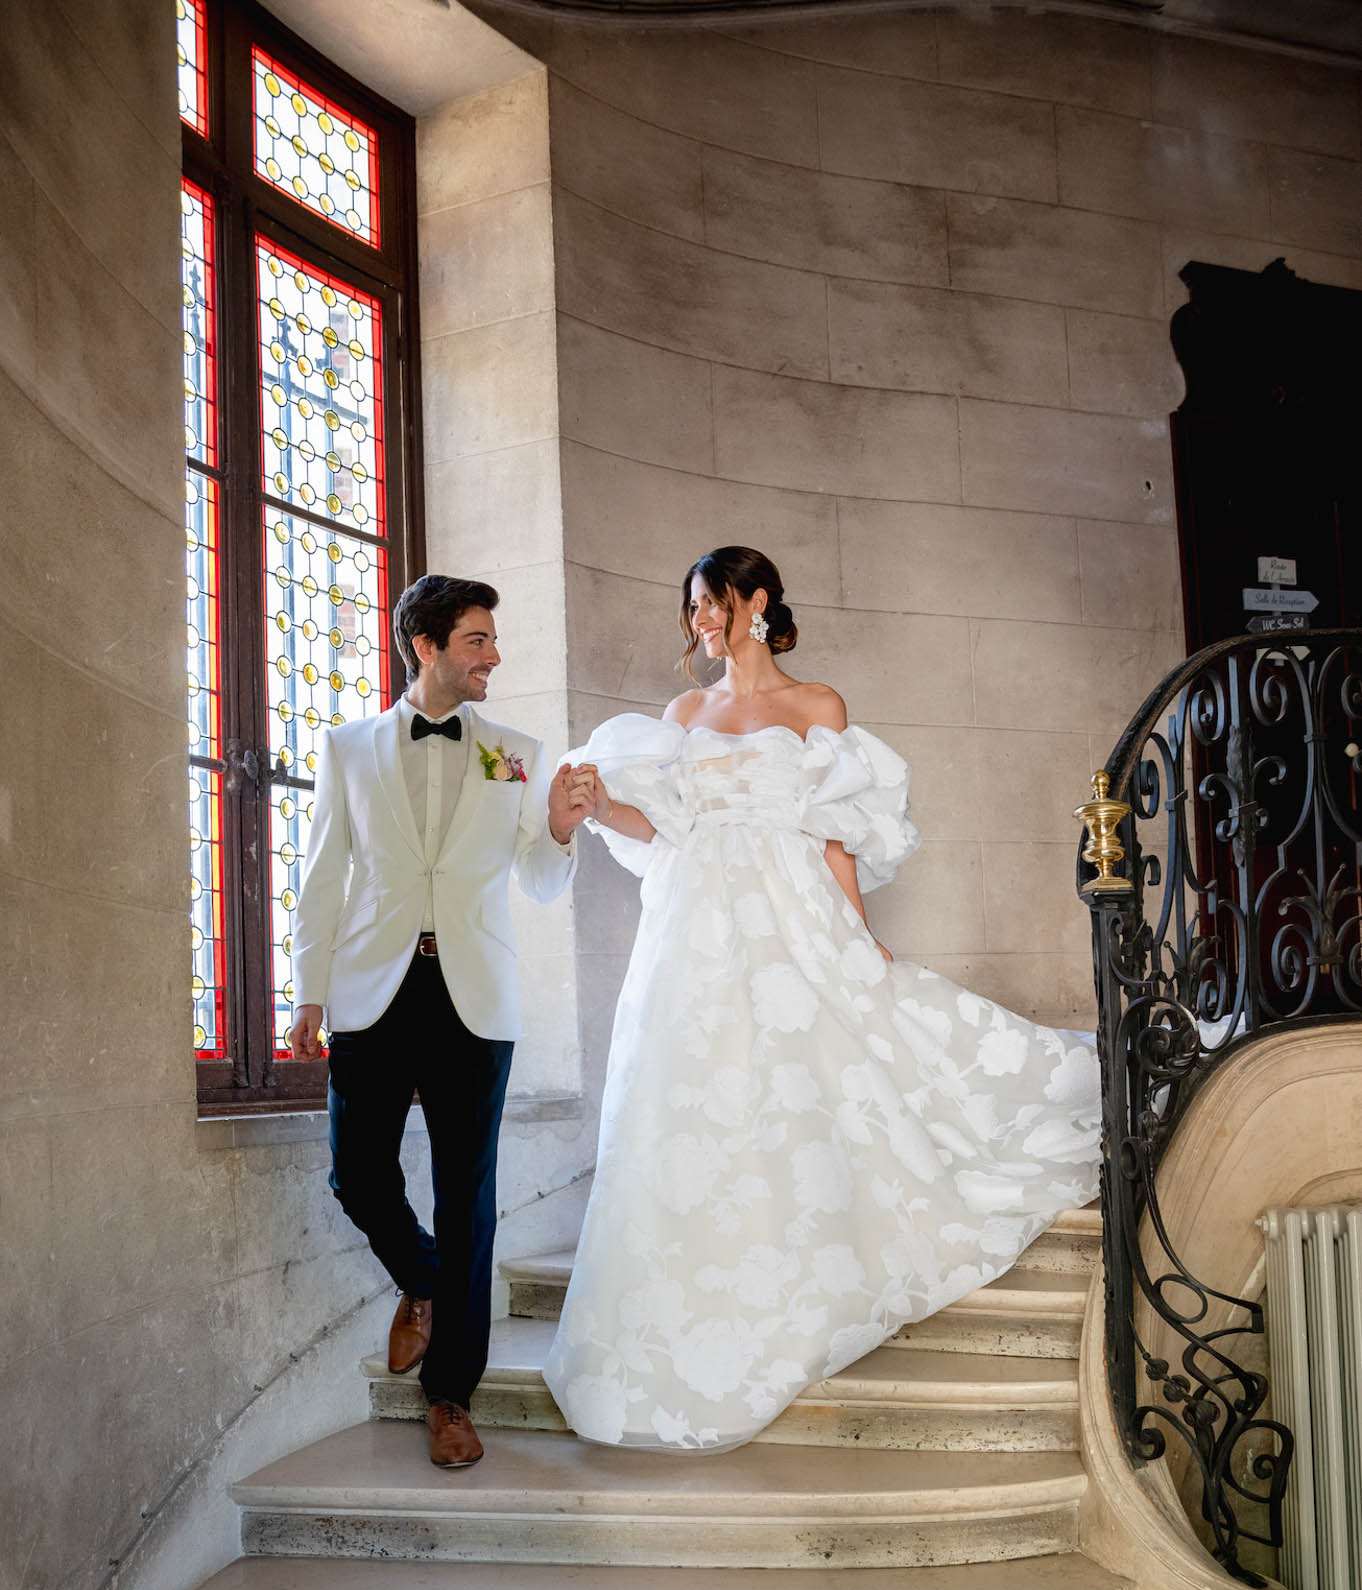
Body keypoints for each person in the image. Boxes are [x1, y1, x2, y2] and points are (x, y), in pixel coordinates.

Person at [543, 546, 1101, 1453]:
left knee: (818, 1066)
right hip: (693, 921)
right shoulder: (683, 713)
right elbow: (667, 824)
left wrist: (857, 929)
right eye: (690, 609)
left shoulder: (818, 706)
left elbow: (836, 833)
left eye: (711, 603)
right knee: (695, 1083)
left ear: (754, 600)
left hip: (790, 909)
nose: (700, 622)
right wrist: (600, 806)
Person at [289, 574, 593, 1468]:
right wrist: (308, 991)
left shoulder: (515, 751)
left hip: (475, 998)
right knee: (354, 1174)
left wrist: (564, 830)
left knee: (471, 1201)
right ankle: (423, 1281)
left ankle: (451, 1396)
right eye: (476, 640)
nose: (493, 655)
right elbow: (321, 880)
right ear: (425, 646)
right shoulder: (347, 748)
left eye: (492, 641)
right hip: (371, 991)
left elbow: (537, 878)